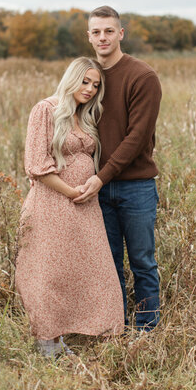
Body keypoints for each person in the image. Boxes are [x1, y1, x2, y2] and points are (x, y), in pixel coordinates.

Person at [15, 57, 124, 357]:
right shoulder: (46, 110)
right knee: (50, 272)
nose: (89, 89)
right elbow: (36, 164)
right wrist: (72, 191)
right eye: (85, 81)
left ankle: (79, 332)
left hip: (85, 206)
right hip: (53, 203)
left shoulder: (84, 115)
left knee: (91, 268)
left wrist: (91, 187)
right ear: (71, 78)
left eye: (95, 85)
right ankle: (47, 342)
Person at [74, 6, 162, 331]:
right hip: (97, 187)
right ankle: (116, 328)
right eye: (96, 32)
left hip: (135, 187)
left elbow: (136, 139)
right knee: (108, 264)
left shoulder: (143, 77)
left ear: (121, 33)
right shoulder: (89, 79)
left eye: (109, 31)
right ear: (89, 36)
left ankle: (145, 333)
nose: (102, 37)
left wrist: (100, 177)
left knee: (142, 262)